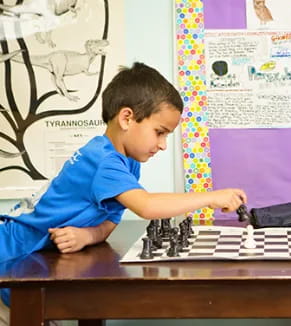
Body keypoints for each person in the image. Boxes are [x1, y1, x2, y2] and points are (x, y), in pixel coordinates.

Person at [0, 62, 247, 325]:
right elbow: (147, 206)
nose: (163, 145)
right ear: (127, 118)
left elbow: (111, 221)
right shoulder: (103, 160)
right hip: (11, 256)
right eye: (159, 132)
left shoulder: (127, 162)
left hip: (34, 262)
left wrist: (88, 235)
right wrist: (210, 197)